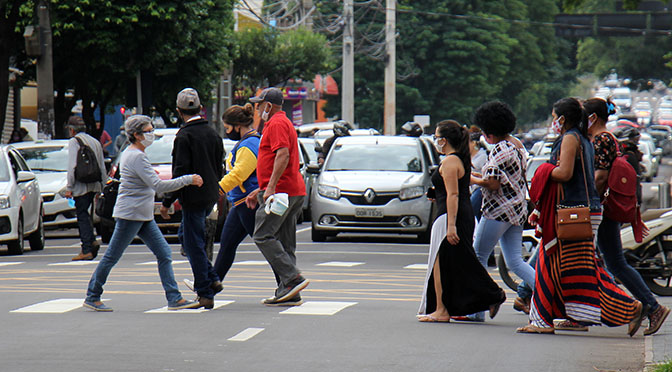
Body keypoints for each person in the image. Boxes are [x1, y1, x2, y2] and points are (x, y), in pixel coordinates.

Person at [517, 97, 644, 335]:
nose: (553, 122)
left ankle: (631, 307)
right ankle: (544, 319)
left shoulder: (570, 138)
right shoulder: (583, 138)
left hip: (572, 212)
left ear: (563, 119)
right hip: (581, 210)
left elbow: (564, 173)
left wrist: (543, 171)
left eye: (555, 118)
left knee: (572, 268)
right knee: (565, 267)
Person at [84, 115, 203, 311]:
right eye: (148, 131)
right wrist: (188, 179)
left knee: (164, 253)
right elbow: (158, 185)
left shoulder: (134, 154)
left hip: (141, 214)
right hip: (131, 214)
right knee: (112, 256)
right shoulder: (136, 156)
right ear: (137, 135)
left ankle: (174, 298)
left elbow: (144, 180)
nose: (152, 134)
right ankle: (93, 294)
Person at [584, 97, 668, 336]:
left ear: (593, 118)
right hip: (608, 208)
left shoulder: (601, 139)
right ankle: (641, 307)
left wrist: (592, 204)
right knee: (612, 262)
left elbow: (600, 177)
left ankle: (649, 307)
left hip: (604, 209)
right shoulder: (608, 138)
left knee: (613, 263)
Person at [416, 120, 505, 323]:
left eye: (437, 137)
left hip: (450, 215)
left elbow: (453, 194)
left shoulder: (450, 161)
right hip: (457, 214)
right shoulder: (461, 159)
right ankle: (488, 296)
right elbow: (451, 189)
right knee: (460, 261)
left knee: (441, 263)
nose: (435, 140)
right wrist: (437, 193)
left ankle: (442, 309)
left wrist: (451, 226)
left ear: (444, 140)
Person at [467, 101, 534, 322]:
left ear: (490, 132)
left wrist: (472, 178)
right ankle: (550, 295)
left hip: (497, 210)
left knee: (478, 258)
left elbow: (493, 183)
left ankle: (477, 310)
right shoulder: (516, 144)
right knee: (516, 261)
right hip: (517, 209)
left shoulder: (499, 150)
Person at [160, 88, 224, 310]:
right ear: (201, 108)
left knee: (193, 243)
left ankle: (205, 291)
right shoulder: (213, 134)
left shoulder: (184, 136)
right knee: (187, 237)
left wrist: (167, 201)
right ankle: (212, 276)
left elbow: (179, 173)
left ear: (179, 111)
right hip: (210, 195)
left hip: (192, 197)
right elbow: (220, 167)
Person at [246, 87, 309, 306]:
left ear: (268, 106)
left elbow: (283, 153)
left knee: (262, 235)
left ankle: (292, 278)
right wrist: (261, 189)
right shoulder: (282, 122)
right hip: (290, 190)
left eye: (258, 105)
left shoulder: (276, 123)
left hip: (281, 192)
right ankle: (289, 291)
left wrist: (270, 187)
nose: (257, 109)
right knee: (285, 242)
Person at [210, 104, 260, 286]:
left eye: (228, 128)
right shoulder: (246, 142)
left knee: (267, 245)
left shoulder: (249, 144)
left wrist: (216, 191)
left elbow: (239, 173)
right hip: (241, 203)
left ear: (238, 125)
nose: (227, 131)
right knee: (227, 244)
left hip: (249, 203)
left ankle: (289, 281)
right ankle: (212, 284)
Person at [65, 115, 107, 261]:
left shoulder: (74, 142)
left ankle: (86, 248)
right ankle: (92, 240)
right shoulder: (95, 141)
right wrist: (103, 185)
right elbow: (101, 165)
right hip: (94, 184)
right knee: (87, 214)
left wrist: (69, 187)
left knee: (82, 215)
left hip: (80, 185)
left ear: (72, 130)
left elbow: (72, 166)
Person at [468, 126, 487, 221]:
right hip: (473, 189)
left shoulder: (482, 156)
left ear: (474, 143)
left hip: (480, 189)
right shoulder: (470, 156)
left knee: (471, 212)